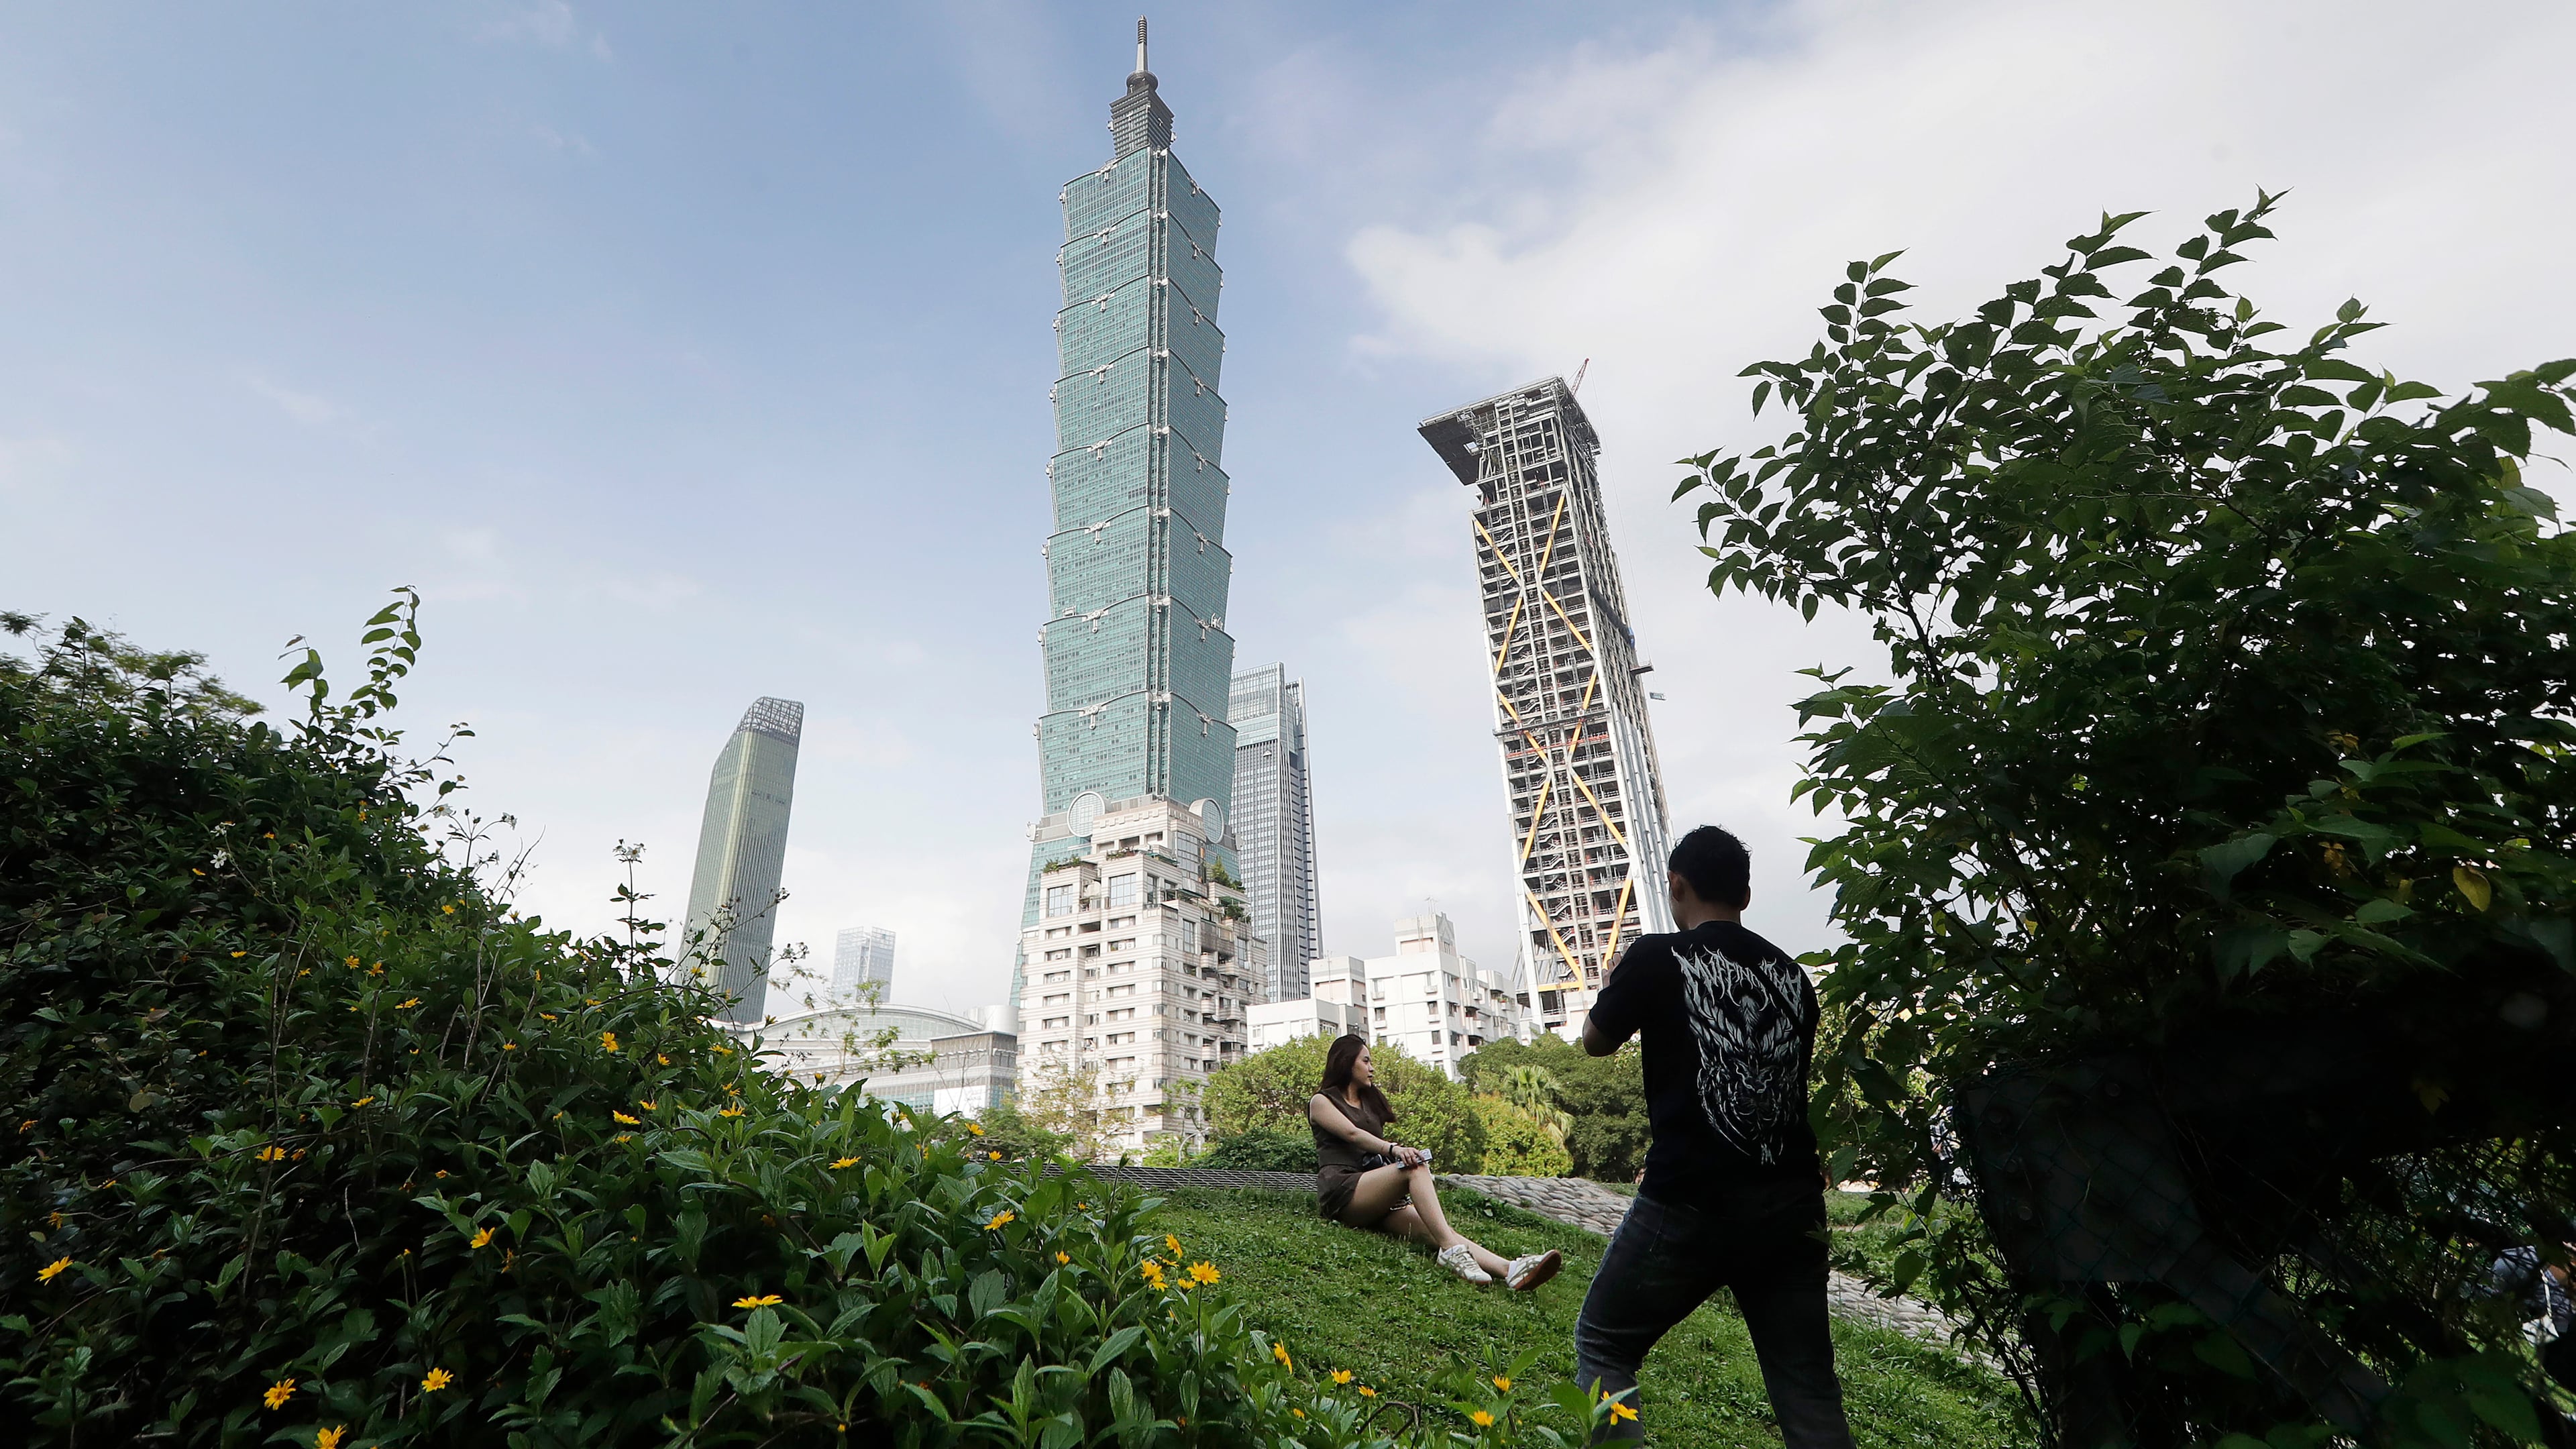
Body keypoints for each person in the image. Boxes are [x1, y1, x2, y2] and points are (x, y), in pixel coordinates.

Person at [1573, 824, 1853, 1446]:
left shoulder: (1655, 956)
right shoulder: (1794, 979)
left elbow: (1594, 1042)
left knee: (1604, 1341)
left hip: (1691, 1196)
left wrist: (1620, 979)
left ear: (1677, 887)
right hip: (1791, 1203)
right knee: (1807, 1389)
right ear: (1745, 897)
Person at [1308, 1032, 1562, 1291]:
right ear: (1347, 1062)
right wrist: (1395, 1150)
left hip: (1375, 1194)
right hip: (1343, 1192)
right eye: (1366, 1061)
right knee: (1414, 1167)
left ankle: (1510, 1270)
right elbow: (1353, 1134)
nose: (1372, 1068)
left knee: (1438, 1229)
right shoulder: (1322, 1102)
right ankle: (1451, 1253)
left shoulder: (1369, 1102)